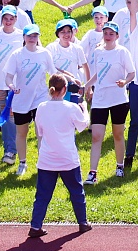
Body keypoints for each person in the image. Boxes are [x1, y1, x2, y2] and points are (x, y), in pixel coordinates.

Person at [26, 73, 91, 237]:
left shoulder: (41, 107)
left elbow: (39, 131)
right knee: (76, 191)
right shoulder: (71, 108)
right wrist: (85, 108)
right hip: (68, 158)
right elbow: (84, 125)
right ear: (65, 90)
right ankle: (83, 223)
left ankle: (35, 226)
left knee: (42, 195)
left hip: (47, 159)